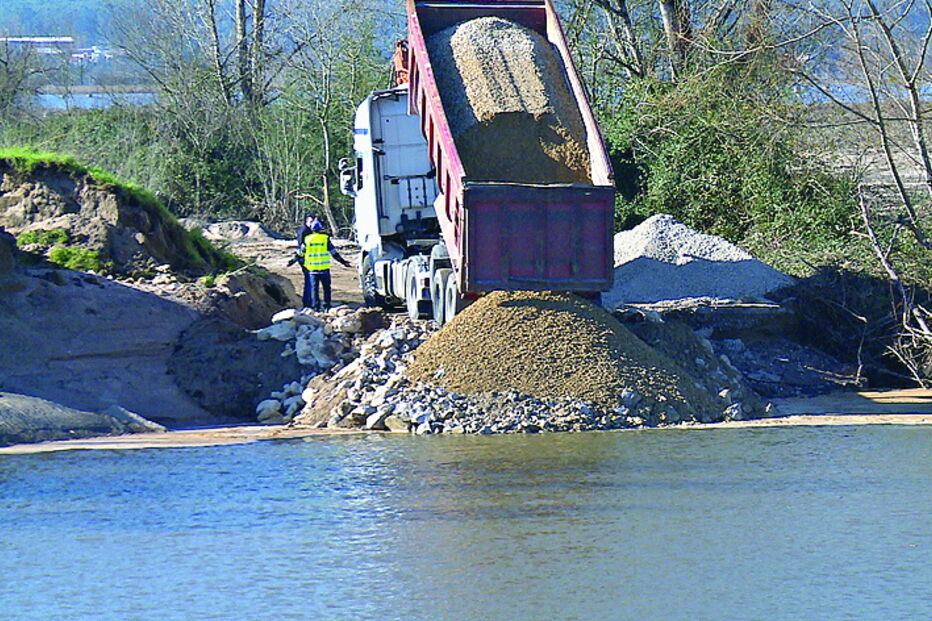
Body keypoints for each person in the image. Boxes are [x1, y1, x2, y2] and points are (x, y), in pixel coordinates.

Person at [303, 220, 351, 311]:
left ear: (312, 229)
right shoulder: (325, 239)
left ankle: (316, 307)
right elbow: (334, 253)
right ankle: (327, 306)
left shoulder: (307, 239)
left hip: (312, 270)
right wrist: (343, 262)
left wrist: (292, 261)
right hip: (324, 269)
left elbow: (300, 252)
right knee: (326, 289)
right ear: (320, 229)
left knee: (314, 289)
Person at [295, 213, 319, 308]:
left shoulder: (309, 230)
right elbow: (302, 247)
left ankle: (310, 302)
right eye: (311, 221)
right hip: (305, 259)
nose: (313, 223)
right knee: (309, 281)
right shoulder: (304, 231)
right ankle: (308, 303)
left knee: (310, 281)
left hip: (309, 259)